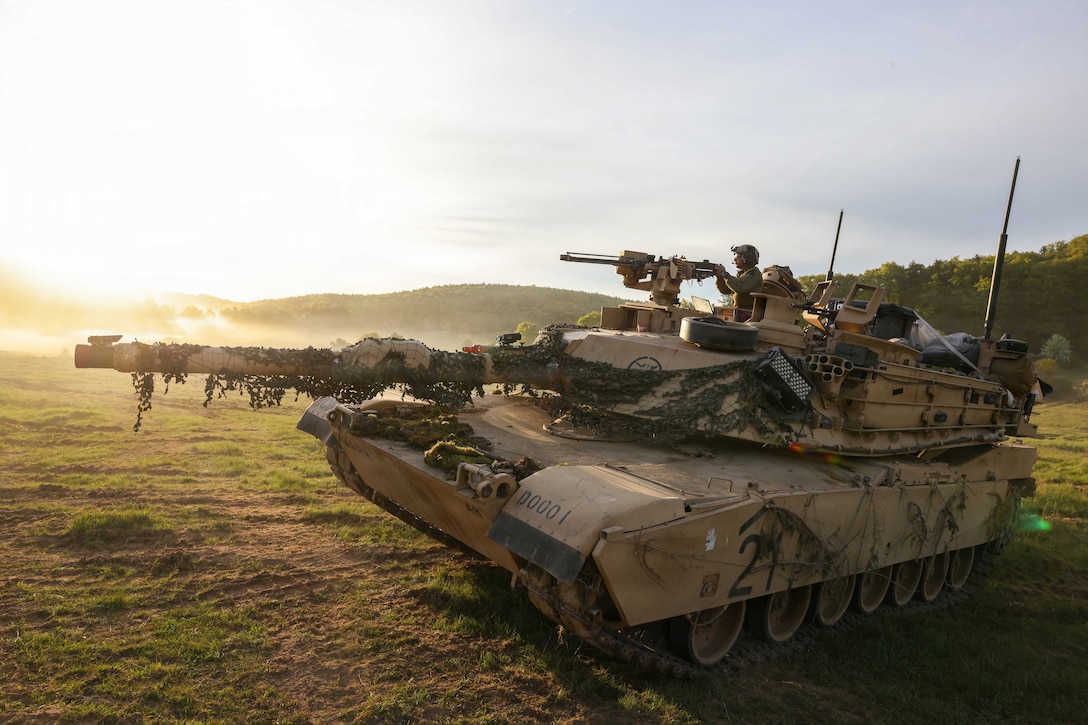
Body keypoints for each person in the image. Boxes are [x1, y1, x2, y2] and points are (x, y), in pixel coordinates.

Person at [715, 244, 762, 315]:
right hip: (739, 312)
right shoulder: (742, 274)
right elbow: (726, 290)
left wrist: (724, 274)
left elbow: (739, 287)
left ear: (747, 258)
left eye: (738, 257)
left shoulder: (754, 273)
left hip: (747, 315)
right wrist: (720, 277)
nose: (734, 259)